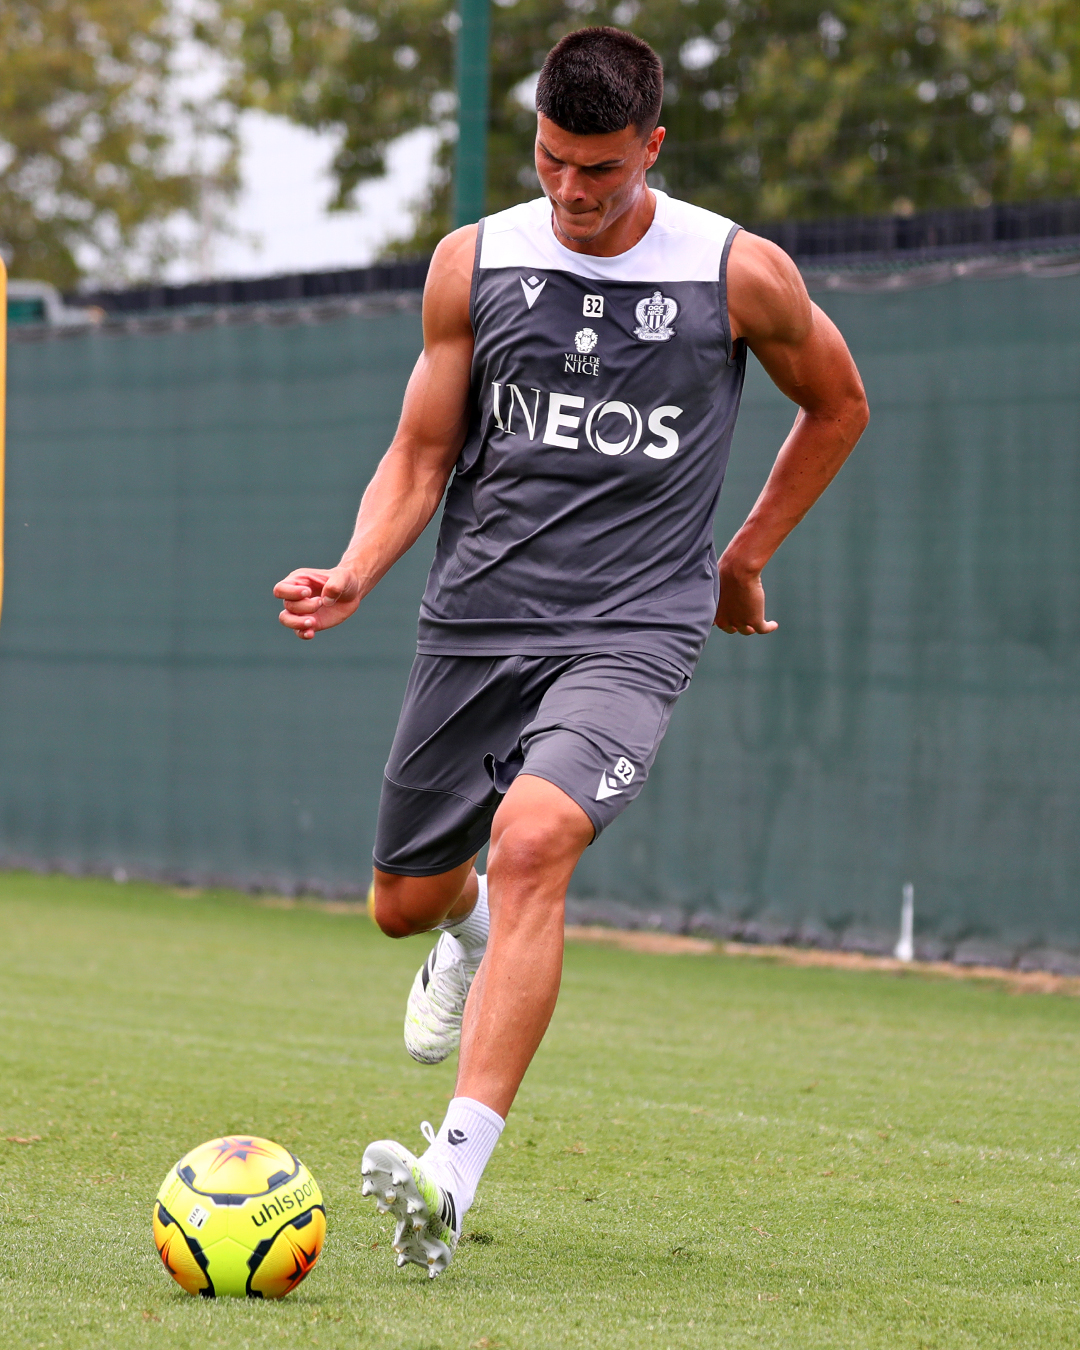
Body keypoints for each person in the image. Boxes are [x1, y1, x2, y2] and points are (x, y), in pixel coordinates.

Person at [274, 26, 868, 1278]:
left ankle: (447, 1177)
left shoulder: (735, 272)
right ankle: (469, 928)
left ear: (652, 146)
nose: (572, 190)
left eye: (599, 168)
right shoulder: (473, 261)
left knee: (536, 837)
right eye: (552, 160)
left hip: (631, 627)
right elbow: (422, 452)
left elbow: (839, 402)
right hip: (477, 618)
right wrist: (355, 569)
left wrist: (744, 556)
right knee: (403, 906)